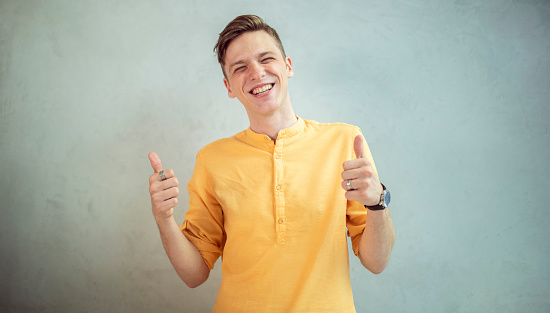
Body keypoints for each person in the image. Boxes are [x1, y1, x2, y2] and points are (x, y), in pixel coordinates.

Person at [147, 15, 395, 313]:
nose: (256, 72)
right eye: (240, 67)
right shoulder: (211, 160)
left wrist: (376, 203)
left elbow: (376, 262)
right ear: (228, 86)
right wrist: (164, 220)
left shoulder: (345, 141)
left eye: (266, 58)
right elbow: (194, 275)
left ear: (287, 66)